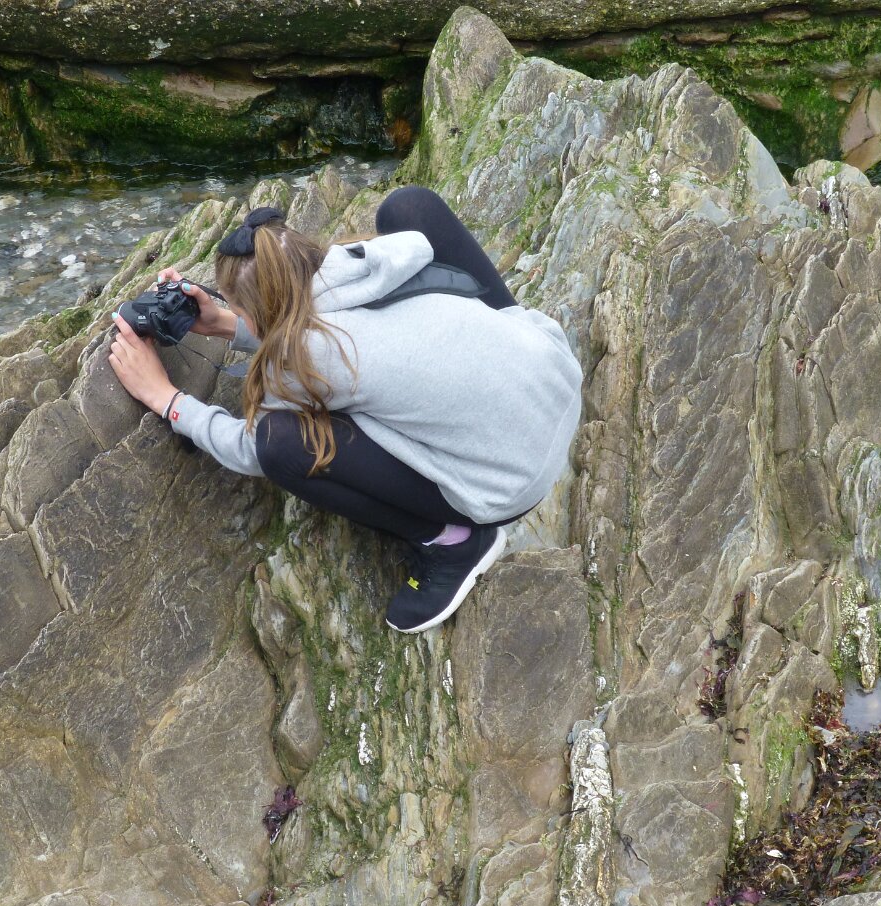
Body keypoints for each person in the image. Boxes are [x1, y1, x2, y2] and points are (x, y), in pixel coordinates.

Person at [106, 185, 582, 633]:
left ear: (263, 310)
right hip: (553, 372)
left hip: (509, 483)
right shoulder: (366, 259)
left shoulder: (308, 357)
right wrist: (230, 324)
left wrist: (166, 399)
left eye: (241, 308)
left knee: (279, 444)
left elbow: (251, 450)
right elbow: (338, 327)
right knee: (409, 205)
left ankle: (452, 543)